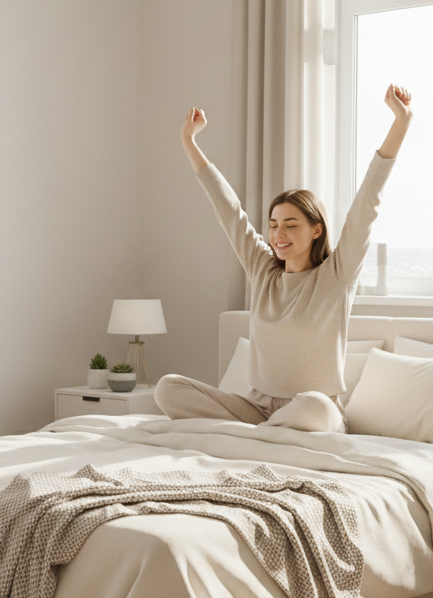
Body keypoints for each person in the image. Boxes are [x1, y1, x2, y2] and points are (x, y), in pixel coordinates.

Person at [155, 83, 413, 433]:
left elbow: (367, 203)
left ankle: (261, 436)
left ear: (316, 230)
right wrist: (190, 141)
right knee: (168, 387)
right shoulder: (264, 270)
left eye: (291, 225)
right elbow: (229, 211)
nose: (278, 235)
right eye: (274, 225)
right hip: (256, 410)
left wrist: (401, 122)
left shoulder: (336, 276)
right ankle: (266, 435)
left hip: (313, 412)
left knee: (315, 408)